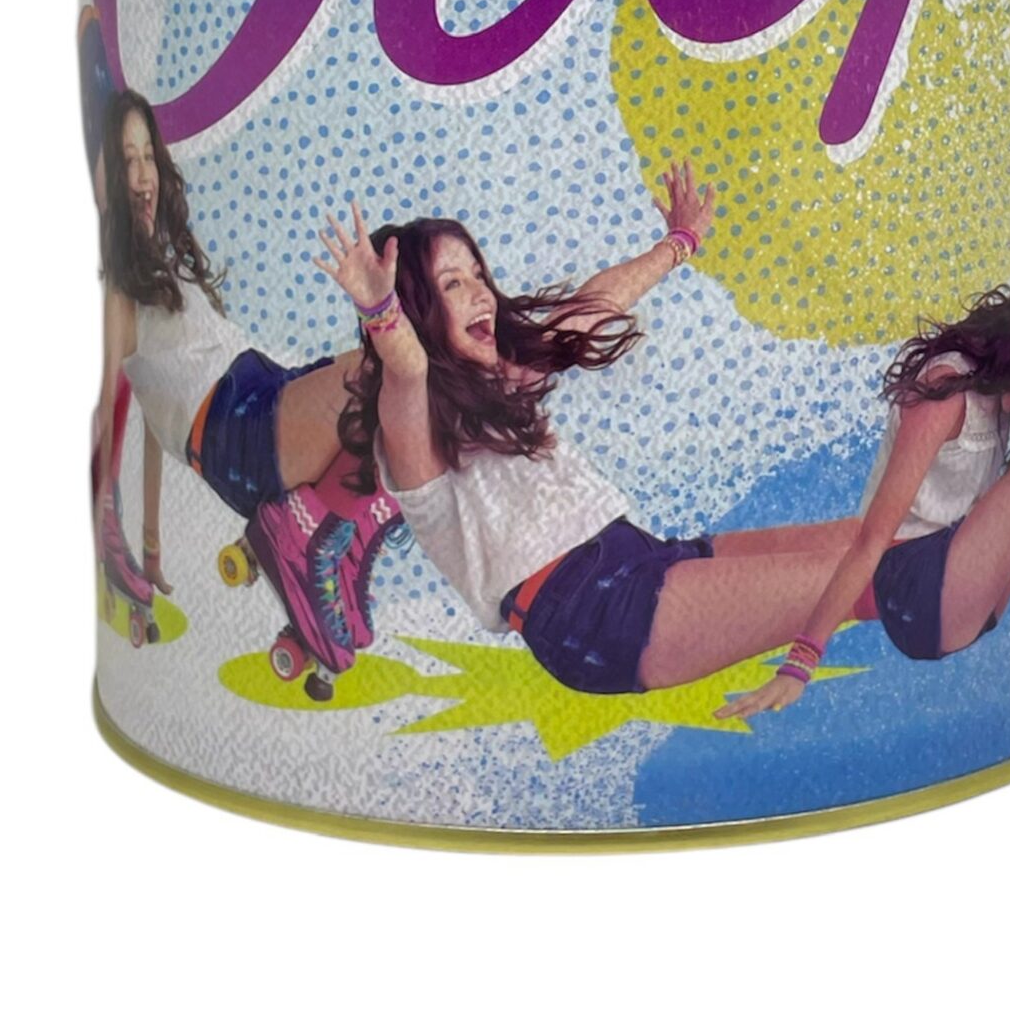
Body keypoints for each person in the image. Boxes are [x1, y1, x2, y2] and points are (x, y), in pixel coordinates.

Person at [316, 166, 862, 697]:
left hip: (638, 561)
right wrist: (379, 309)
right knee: (863, 574)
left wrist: (680, 242)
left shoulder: (503, 383)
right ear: (416, 312)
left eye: (479, 276)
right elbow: (407, 369)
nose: (481, 294)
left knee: (864, 541)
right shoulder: (414, 436)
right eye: (452, 284)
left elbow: (593, 306)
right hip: (589, 614)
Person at [719, 273, 1010, 721]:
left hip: (969, 593)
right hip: (916, 592)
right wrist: (801, 663)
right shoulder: (947, 395)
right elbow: (871, 539)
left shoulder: (1003, 390)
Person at [95, 87, 388, 644]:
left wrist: (153, 542)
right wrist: (115, 532)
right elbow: (114, 419)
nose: (142, 176)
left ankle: (326, 540)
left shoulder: (165, 265)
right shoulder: (119, 297)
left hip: (259, 390)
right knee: (379, 375)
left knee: (402, 385)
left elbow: (154, 415)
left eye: (147, 156)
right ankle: (300, 537)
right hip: (233, 432)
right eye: (125, 160)